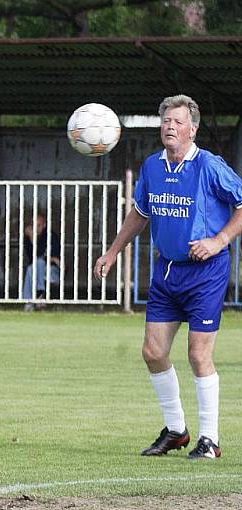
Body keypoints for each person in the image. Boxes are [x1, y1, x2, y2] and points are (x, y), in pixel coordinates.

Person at [94, 94, 242, 460]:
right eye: (165, 121)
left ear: (192, 129)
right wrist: (113, 251)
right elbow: (140, 214)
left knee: (197, 354)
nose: (170, 127)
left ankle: (210, 439)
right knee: (153, 351)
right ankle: (176, 430)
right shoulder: (153, 167)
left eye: (177, 122)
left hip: (206, 272)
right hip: (168, 270)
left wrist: (218, 239)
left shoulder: (209, 166)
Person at [22, 212, 60, 311]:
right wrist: (32, 239)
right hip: (37, 271)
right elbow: (32, 258)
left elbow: (55, 259)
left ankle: (34, 297)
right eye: (34, 225)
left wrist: (48, 259)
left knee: (38, 263)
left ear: (44, 225)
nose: (36, 228)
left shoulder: (51, 236)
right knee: (32, 267)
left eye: (39, 225)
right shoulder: (29, 237)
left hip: (52, 271)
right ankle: (33, 300)